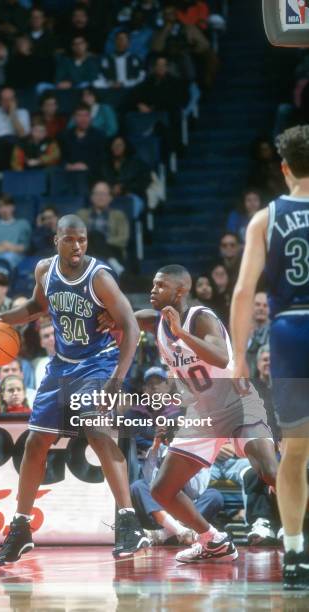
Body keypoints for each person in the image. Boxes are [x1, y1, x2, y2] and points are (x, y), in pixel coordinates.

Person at [0, 214, 150, 564]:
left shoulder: (100, 277)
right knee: (35, 442)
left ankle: (128, 523)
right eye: (69, 239)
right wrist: (0, 321)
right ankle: (21, 528)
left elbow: (132, 328)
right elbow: (36, 308)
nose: (77, 246)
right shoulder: (44, 272)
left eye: (82, 239)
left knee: (97, 430)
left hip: (99, 362)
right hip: (62, 364)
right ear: (56, 240)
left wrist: (117, 379)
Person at [99, 264, 278, 563]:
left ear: (180, 291)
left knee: (270, 473)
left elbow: (221, 356)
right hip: (202, 415)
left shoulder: (201, 318)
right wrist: (110, 319)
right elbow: (128, 317)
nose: (152, 291)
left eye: (160, 286)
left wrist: (181, 333)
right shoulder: (155, 321)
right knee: (162, 490)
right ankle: (213, 540)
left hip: (236, 404)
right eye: (153, 285)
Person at [230, 125, 309, 589]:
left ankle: (295, 553)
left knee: (295, 451)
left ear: (284, 169)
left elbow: (243, 292)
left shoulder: (266, 218)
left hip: (288, 331)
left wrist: (239, 356)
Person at [77, 181, 130, 272]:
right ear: (92, 197)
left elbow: (123, 239)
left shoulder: (118, 215)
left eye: (103, 194)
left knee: (96, 236)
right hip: (88, 251)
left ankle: (111, 262)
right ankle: (114, 265)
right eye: (97, 194)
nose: (100, 197)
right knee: (94, 235)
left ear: (110, 198)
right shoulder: (82, 214)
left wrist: (102, 242)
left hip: (113, 250)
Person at [60, 104, 106, 179]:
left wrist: (87, 166)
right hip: (69, 173)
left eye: (86, 115)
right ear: (74, 118)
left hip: (92, 174)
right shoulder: (64, 136)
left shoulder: (99, 136)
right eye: (79, 115)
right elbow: (60, 157)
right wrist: (67, 166)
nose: (83, 119)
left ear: (90, 117)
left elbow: (102, 158)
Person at [246, 292, 270, 379]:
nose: (261, 308)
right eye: (257, 304)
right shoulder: (241, 331)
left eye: (265, 305)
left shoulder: (275, 333)